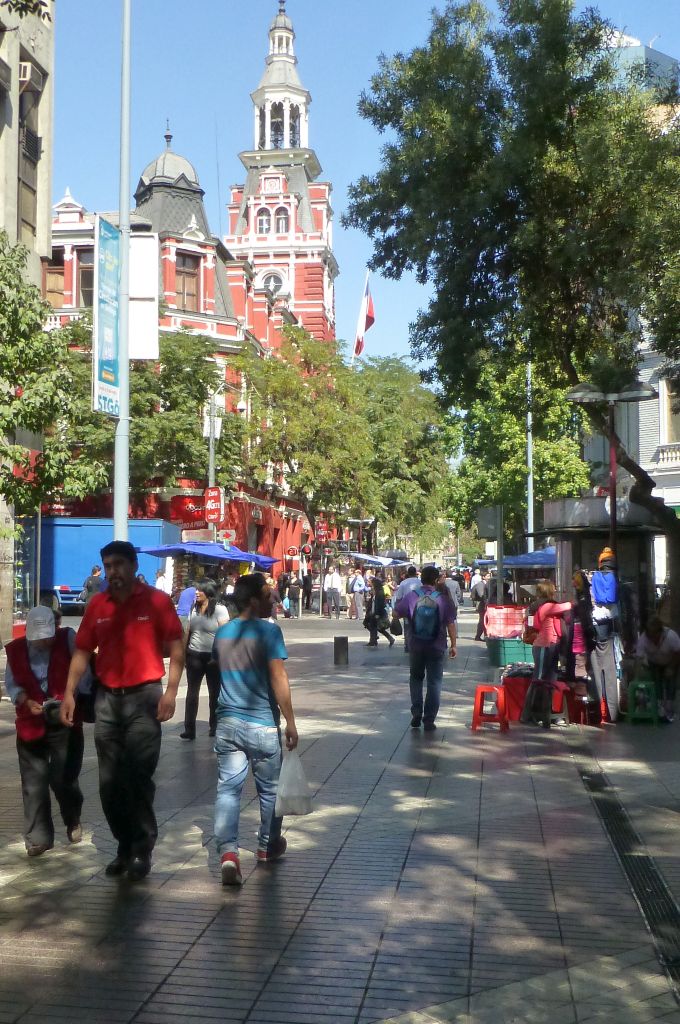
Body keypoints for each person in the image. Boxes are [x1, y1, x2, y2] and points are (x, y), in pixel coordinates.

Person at [60, 540, 184, 882]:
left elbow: (177, 647)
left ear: (133, 566)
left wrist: (171, 693)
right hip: (107, 701)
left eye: (118, 564)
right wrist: (69, 693)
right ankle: (124, 846)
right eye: (108, 565)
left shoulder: (156, 601)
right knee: (110, 782)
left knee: (138, 777)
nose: (113, 571)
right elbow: (82, 651)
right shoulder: (98, 605)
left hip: (145, 698)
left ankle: (142, 848)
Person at [212, 573, 299, 886]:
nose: (271, 599)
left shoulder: (222, 633)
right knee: (270, 791)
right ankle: (266, 846)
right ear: (252, 600)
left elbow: (218, 673)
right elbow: (278, 678)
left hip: (228, 723)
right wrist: (290, 721)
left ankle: (228, 853)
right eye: (266, 595)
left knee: (228, 790)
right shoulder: (269, 632)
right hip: (262, 724)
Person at [5, 607, 88, 857]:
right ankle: (37, 838)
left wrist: (72, 696)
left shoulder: (68, 639)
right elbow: (12, 684)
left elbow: (84, 674)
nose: (43, 642)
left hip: (64, 719)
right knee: (33, 783)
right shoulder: (16, 650)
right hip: (30, 722)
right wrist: (25, 700)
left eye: (47, 636)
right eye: (38, 638)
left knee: (62, 778)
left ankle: (72, 817)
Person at [394, 565, 457, 731]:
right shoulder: (442, 599)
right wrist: (454, 645)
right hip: (436, 646)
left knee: (416, 678)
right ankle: (429, 719)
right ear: (436, 580)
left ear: (421, 580)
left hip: (415, 645)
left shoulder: (412, 596)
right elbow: (450, 624)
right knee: (434, 682)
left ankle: (416, 711)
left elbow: (396, 613)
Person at [181, 581, 230, 740]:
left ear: (208, 592)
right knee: (191, 693)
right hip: (194, 655)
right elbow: (188, 632)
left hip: (213, 658)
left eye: (200, 590)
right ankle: (189, 729)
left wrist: (222, 656)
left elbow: (225, 635)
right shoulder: (193, 609)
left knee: (214, 693)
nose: (196, 592)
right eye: (196, 590)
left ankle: (214, 726)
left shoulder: (220, 610)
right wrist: (183, 653)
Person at [521, 581, 572, 728]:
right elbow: (567, 606)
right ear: (549, 591)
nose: (555, 591)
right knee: (538, 679)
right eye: (554, 589)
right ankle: (527, 714)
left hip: (551, 645)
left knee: (549, 681)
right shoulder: (548, 606)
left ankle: (546, 714)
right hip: (544, 645)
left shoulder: (539, 606)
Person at [636, 616, 680, 723]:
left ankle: (669, 706)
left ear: (660, 632)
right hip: (654, 662)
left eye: (654, 635)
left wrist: (671, 667)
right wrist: (638, 673)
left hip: (670, 660)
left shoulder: (671, 636)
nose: (652, 638)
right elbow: (639, 658)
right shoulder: (643, 639)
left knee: (670, 681)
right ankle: (660, 706)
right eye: (650, 635)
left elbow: (678, 652)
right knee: (656, 681)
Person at [393, 566, 421, 653]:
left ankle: (408, 645)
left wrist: (396, 609)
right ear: (415, 573)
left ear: (408, 573)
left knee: (407, 627)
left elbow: (399, 598)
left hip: (407, 608)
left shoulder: (403, 583)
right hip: (419, 607)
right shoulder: (420, 582)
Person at [365, 578, 395, 648]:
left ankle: (374, 640)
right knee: (370, 625)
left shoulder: (380, 592)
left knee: (378, 627)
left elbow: (380, 604)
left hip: (378, 612)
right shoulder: (374, 591)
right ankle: (374, 640)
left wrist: (377, 613)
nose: (370, 584)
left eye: (371, 583)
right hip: (372, 611)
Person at [474, 573, 490, 641]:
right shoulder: (480, 584)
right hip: (482, 606)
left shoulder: (487, 584)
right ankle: (479, 636)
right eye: (488, 576)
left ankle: (482, 636)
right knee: (482, 621)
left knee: (485, 621)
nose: (489, 577)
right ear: (483, 577)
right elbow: (481, 595)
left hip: (486, 605)